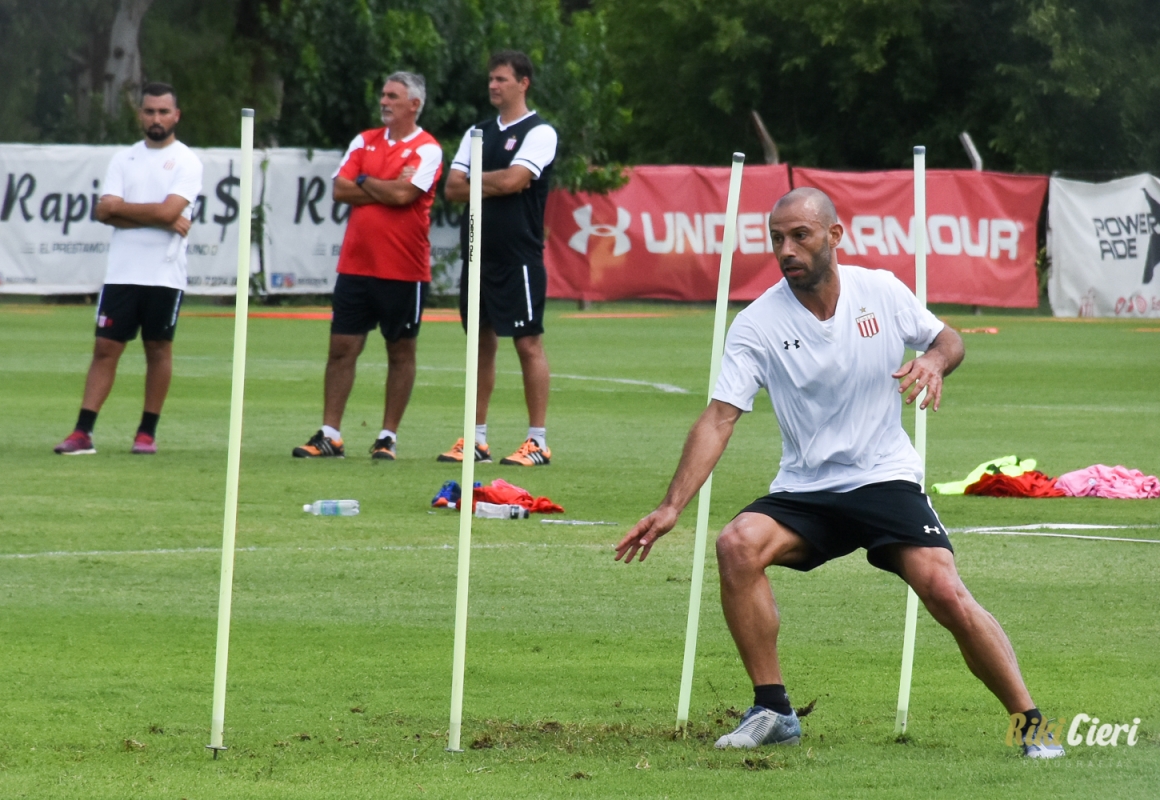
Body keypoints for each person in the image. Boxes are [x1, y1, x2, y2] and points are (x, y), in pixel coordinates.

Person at [615, 188, 1064, 759]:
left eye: (799, 234)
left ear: (835, 234)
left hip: (884, 477)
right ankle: (773, 710)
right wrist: (672, 504)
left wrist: (932, 360)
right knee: (736, 544)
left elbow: (947, 339)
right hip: (807, 490)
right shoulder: (757, 323)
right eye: (776, 238)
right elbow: (720, 416)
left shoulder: (879, 290)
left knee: (945, 590)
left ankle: (1030, 726)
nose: (786, 248)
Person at [292, 71, 443, 460]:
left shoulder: (427, 149)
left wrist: (366, 180)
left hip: (404, 270)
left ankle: (387, 436)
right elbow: (340, 189)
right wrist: (378, 184)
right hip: (356, 265)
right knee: (342, 347)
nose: (384, 101)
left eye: (393, 96)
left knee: (400, 352)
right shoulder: (364, 140)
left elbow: (404, 195)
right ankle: (330, 434)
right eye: (383, 94)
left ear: (414, 104)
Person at [53, 83, 202, 456]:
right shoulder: (124, 159)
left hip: (164, 274)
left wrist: (129, 212)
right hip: (122, 272)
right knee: (105, 348)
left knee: (157, 348)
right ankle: (83, 432)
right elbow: (104, 211)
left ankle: (146, 433)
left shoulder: (187, 161)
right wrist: (158, 217)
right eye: (149, 111)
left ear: (176, 116)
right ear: (140, 115)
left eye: (163, 112)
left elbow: (168, 211)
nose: (156, 118)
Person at [441, 50, 557, 467]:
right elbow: (452, 188)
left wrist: (479, 180)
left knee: (527, 343)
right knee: (480, 344)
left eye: (502, 79)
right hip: (477, 253)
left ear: (523, 83)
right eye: (491, 79)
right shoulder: (478, 132)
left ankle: (538, 441)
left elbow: (516, 180)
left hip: (518, 256)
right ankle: (476, 438)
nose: (493, 85)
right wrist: (488, 182)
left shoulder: (540, 132)